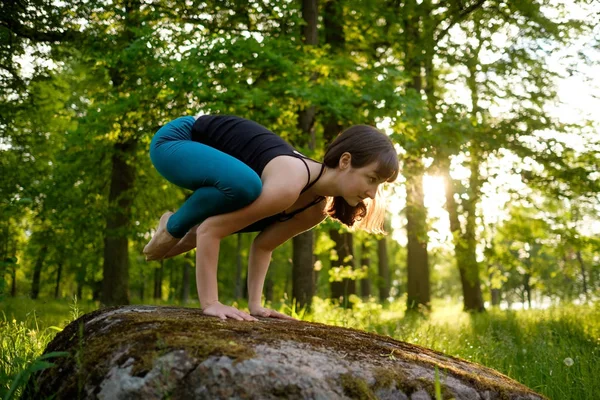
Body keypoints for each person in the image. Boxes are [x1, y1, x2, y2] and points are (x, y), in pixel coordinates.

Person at [143, 114, 398, 321]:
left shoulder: (313, 210)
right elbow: (211, 230)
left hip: (219, 179)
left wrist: (256, 305)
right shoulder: (290, 183)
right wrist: (211, 303)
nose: (372, 194)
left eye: (380, 185)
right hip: (177, 141)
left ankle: (174, 227)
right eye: (371, 179)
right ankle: (172, 225)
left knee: (185, 242)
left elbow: (264, 246)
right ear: (345, 161)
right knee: (245, 187)